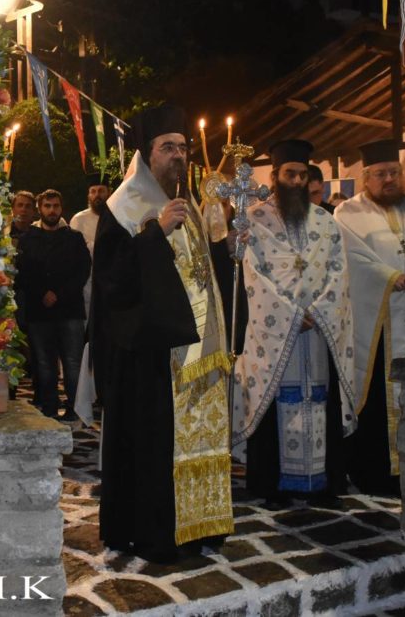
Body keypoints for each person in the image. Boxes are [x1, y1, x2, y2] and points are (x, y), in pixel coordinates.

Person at [90, 104, 234, 563]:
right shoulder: (124, 207)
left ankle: (200, 526)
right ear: (147, 154)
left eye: (184, 147)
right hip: (149, 360)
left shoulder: (187, 201)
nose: (179, 155)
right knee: (154, 448)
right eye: (168, 147)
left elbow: (204, 277)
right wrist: (154, 237)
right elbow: (113, 285)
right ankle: (155, 532)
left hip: (196, 353)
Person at [233, 140, 358, 509]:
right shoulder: (254, 219)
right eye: (290, 174)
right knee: (276, 401)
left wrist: (317, 312)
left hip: (318, 331)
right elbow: (253, 275)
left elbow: (339, 273)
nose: (297, 181)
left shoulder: (325, 221)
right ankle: (274, 484)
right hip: (275, 333)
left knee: (320, 400)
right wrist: (290, 314)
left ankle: (321, 482)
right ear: (275, 176)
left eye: (303, 175)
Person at [334, 139, 405, 495]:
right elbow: (354, 259)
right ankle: (377, 473)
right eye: (380, 174)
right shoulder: (347, 214)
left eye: (394, 173)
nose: (389, 180)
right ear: (366, 177)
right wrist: (393, 277)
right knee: (379, 396)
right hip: (379, 323)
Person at [16, 189, 90, 420]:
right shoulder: (28, 239)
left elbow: (82, 271)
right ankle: (48, 408)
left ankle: (75, 408)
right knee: (44, 362)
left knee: (72, 363)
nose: (52, 211)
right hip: (40, 311)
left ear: (61, 208)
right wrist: (43, 293)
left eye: (56, 206)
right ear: (40, 209)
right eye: (47, 206)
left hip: (69, 310)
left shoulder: (74, 238)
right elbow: (23, 273)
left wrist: (59, 294)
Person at [70, 180, 109, 314]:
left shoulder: (118, 216)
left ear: (109, 193)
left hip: (112, 281)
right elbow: (77, 252)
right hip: (88, 282)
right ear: (88, 195)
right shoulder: (78, 219)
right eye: (93, 191)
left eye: (101, 191)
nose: (97, 195)